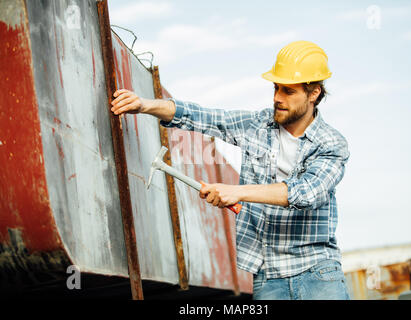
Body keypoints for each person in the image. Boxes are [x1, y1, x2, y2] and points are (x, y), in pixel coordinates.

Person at [110, 40, 351, 300]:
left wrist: (237, 192)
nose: (277, 98)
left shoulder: (332, 144)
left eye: (288, 91)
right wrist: (145, 105)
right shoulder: (256, 126)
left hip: (316, 274)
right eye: (276, 88)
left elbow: (304, 193)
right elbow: (202, 116)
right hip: (268, 278)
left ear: (313, 93)